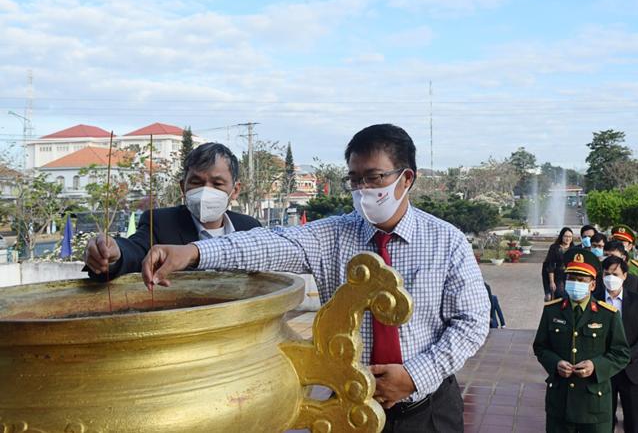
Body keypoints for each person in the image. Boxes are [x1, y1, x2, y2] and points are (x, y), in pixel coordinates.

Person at [141, 124, 489, 433]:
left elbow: (471, 322)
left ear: (406, 178)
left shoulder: (446, 241)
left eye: (374, 178)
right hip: (347, 406)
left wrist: (415, 376)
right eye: (354, 179)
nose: (362, 189)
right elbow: (270, 242)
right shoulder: (333, 236)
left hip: (427, 411)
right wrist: (195, 253)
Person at [84, 143, 260, 281]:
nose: (206, 191)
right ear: (183, 187)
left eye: (217, 184)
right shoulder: (161, 223)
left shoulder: (250, 228)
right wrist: (114, 254)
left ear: (235, 190)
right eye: (196, 182)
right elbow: (136, 251)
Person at [533, 253, 630, 432]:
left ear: (592, 284)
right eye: (571, 278)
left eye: (581, 279)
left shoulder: (607, 314)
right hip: (560, 402)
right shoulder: (552, 311)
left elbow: (621, 353)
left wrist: (595, 366)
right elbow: (540, 346)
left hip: (594, 405)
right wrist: (555, 363)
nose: (575, 283)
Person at [594, 256, 638, 433]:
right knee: (603, 420)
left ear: (625, 276)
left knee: (634, 421)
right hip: (604, 370)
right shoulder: (594, 300)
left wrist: (627, 356)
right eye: (607, 273)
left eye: (615, 274)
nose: (610, 278)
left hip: (632, 370)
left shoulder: (636, 300)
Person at [611, 225, 638, 295]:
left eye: (622, 242)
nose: (619, 244)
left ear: (630, 246)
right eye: (616, 241)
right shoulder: (603, 265)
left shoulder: (636, 270)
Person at [543, 227, 574, 300]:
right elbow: (551, 265)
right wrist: (551, 282)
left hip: (570, 276)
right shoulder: (554, 248)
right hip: (558, 276)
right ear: (561, 236)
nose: (568, 238)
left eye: (570, 236)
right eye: (566, 236)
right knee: (559, 295)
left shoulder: (574, 248)